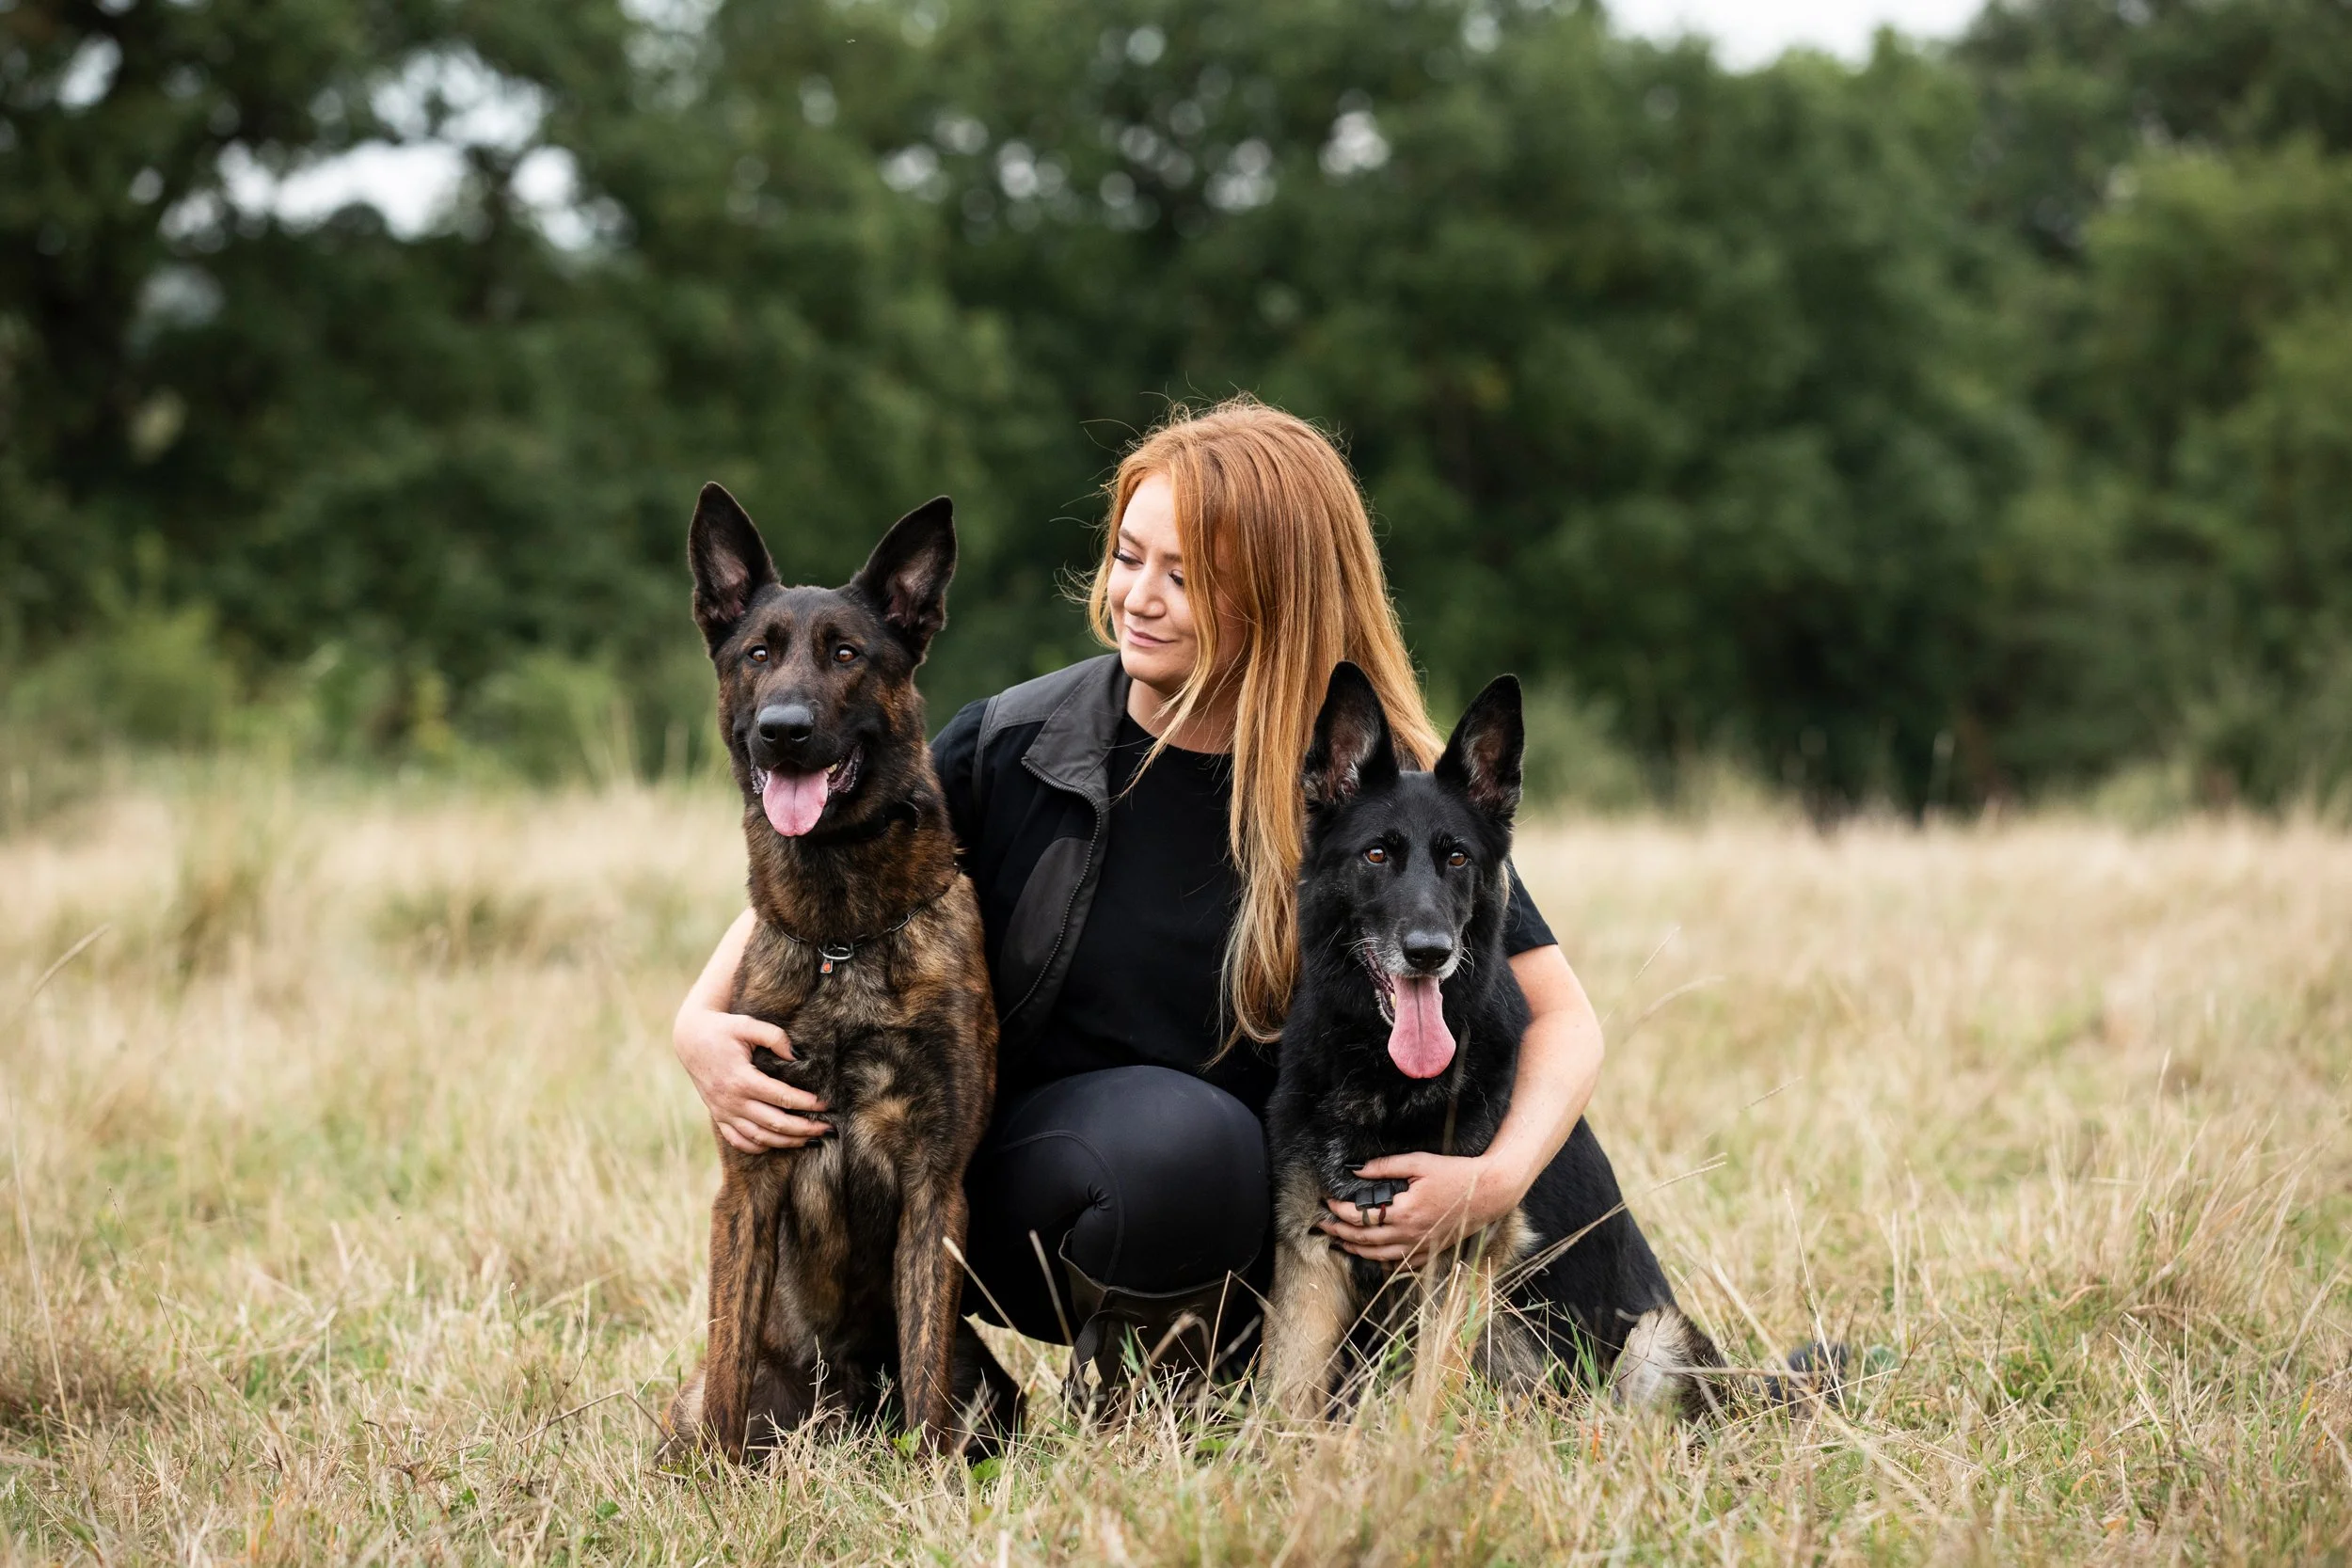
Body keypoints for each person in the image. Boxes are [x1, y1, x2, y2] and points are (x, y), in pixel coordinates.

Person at [671, 397, 1608, 1374]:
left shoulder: (1368, 787)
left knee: (1240, 1170)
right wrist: (699, 1023)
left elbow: (1563, 1019)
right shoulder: (1019, 741)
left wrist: (1494, 1180)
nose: (1139, 597)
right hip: (1030, 1191)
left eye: (1185, 576)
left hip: (1284, 1229)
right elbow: (831, 876)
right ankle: (1125, 1387)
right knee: (1181, 1141)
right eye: (1128, 557)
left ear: (1278, 596)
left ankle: (1233, 1373)